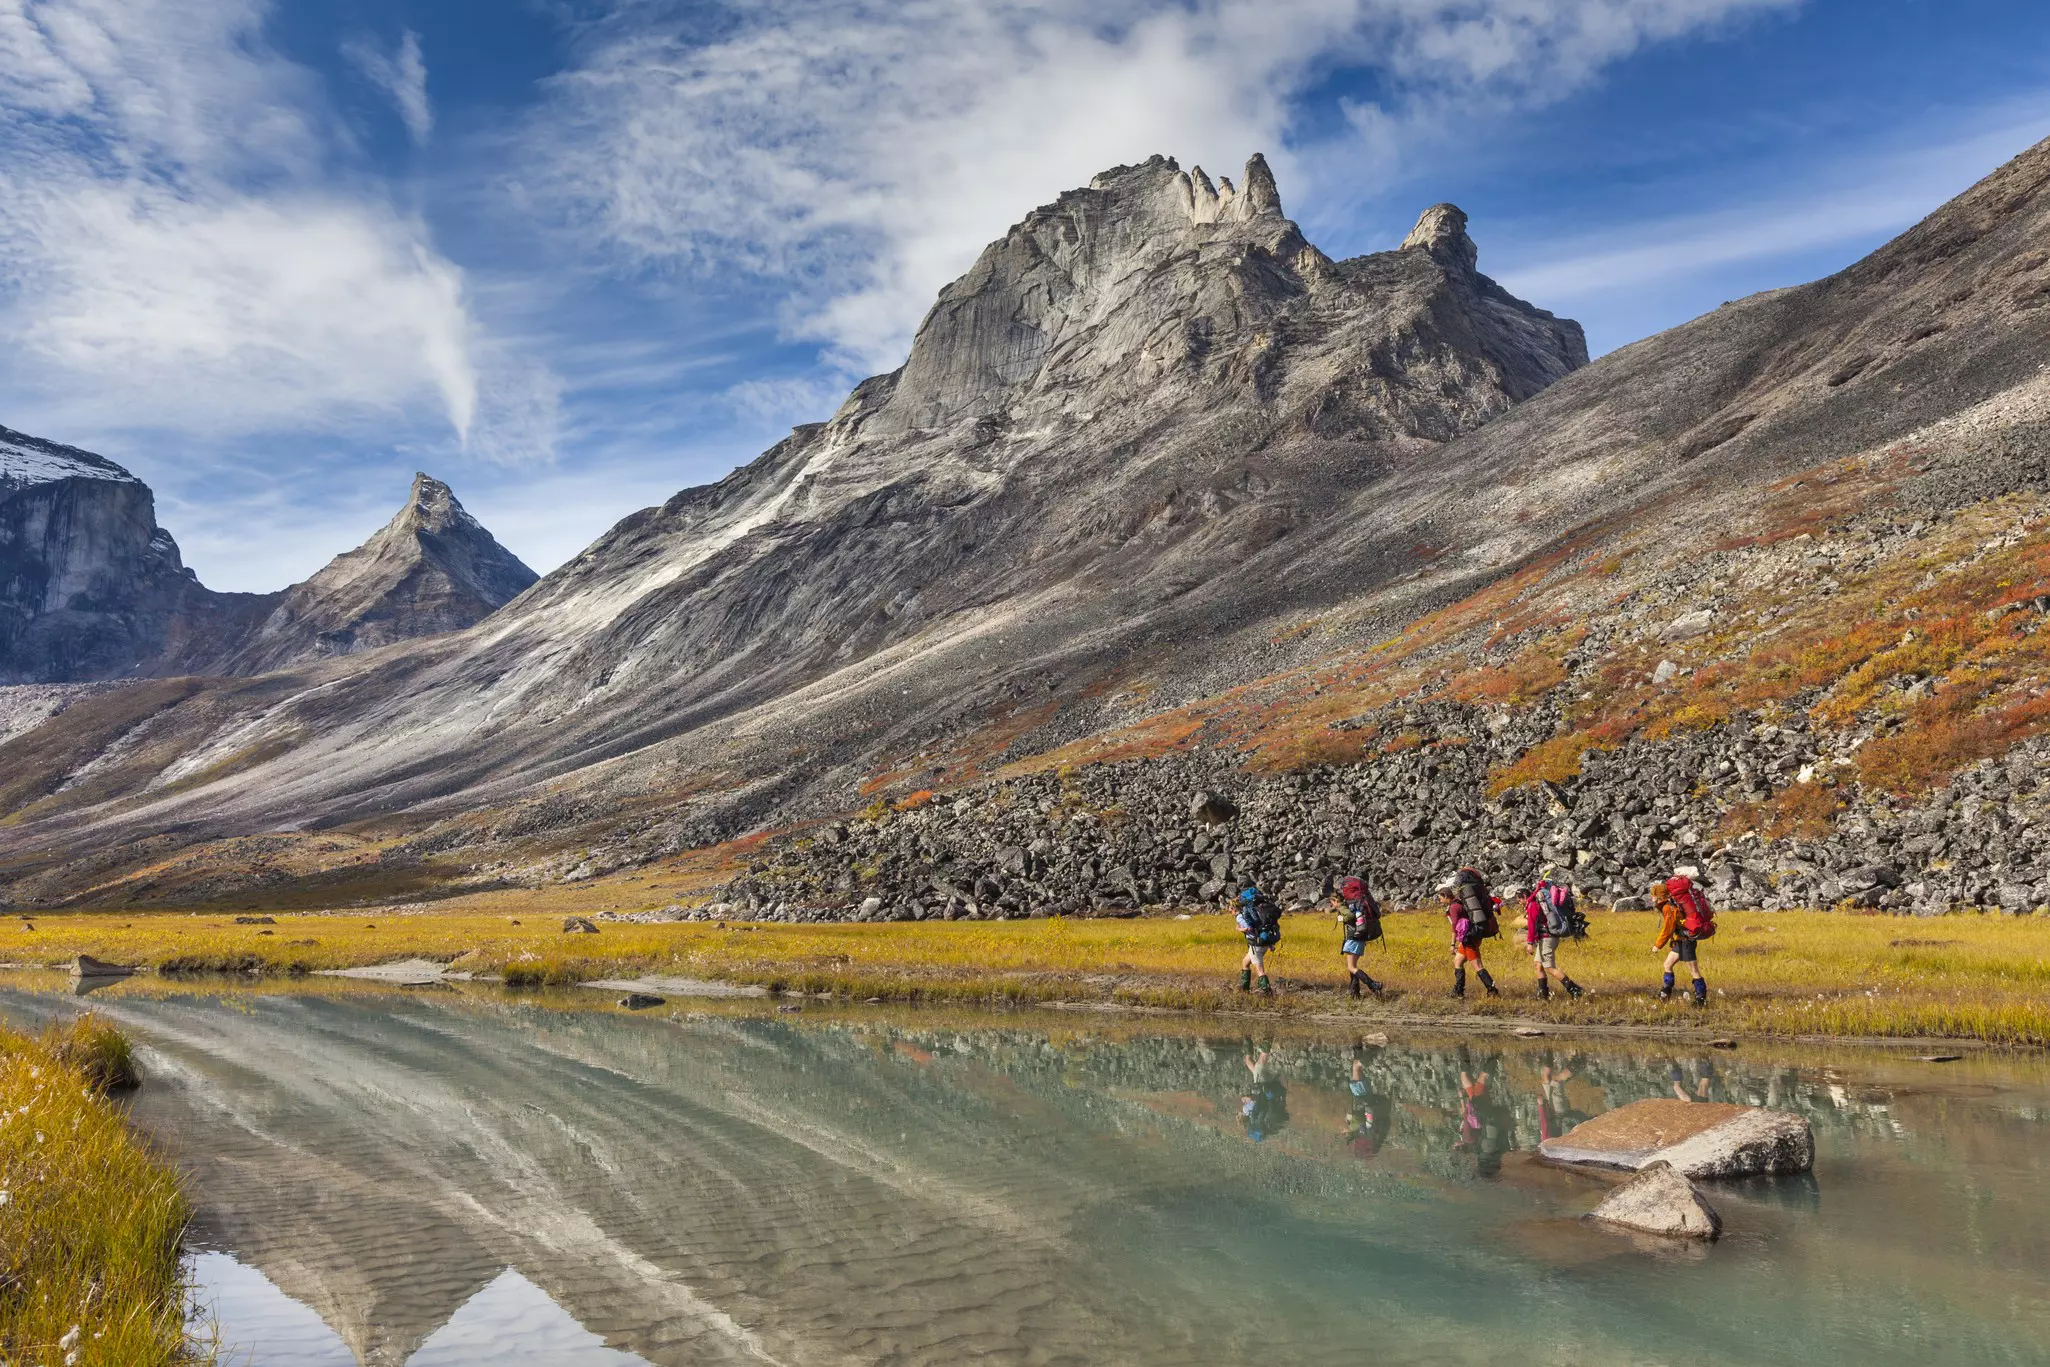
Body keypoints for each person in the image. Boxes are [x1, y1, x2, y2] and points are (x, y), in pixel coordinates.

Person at [1523, 867, 1588, 1001]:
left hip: (1547, 938)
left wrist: (1530, 943)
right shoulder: (1541, 900)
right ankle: (1543, 994)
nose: (1519, 902)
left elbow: (1532, 925)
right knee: (1538, 964)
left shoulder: (1533, 905)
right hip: (1547, 937)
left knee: (1549, 967)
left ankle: (1575, 990)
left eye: (1519, 899)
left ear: (1524, 897)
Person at [1652, 873, 1715, 1006]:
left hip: (1687, 941)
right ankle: (1665, 994)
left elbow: (1667, 929)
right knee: (1667, 965)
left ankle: (1701, 1000)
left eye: (1653, 894)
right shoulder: (1669, 906)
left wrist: (1658, 945)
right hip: (1681, 940)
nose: (1651, 897)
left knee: (1694, 971)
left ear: (1659, 896)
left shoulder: (1668, 908)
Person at [1438, 868, 1501, 999]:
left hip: (1469, 937)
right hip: (1473, 934)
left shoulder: (1454, 907)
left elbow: (1455, 926)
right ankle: (1458, 991)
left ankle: (1492, 989)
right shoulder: (1461, 902)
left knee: (1477, 965)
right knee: (1458, 961)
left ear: (1445, 896)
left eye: (1440, 898)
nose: (1440, 901)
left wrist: (1452, 944)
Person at [1330, 874, 1386, 998]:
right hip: (1359, 938)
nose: (1331, 905)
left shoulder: (1344, 908)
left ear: (1335, 901)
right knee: (1352, 967)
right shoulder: (1353, 905)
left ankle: (1373, 985)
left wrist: (1340, 918)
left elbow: (1349, 916)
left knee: (1351, 967)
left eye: (1331, 902)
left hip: (1353, 939)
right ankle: (1355, 993)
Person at [1235, 884, 1282, 994]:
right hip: (1265, 940)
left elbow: (1249, 928)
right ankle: (1244, 988)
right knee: (1245, 962)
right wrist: (1270, 943)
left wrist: (1239, 929)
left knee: (1260, 970)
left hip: (1256, 944)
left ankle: (1266, 991)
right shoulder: (1261, 909)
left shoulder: (1247, 910)